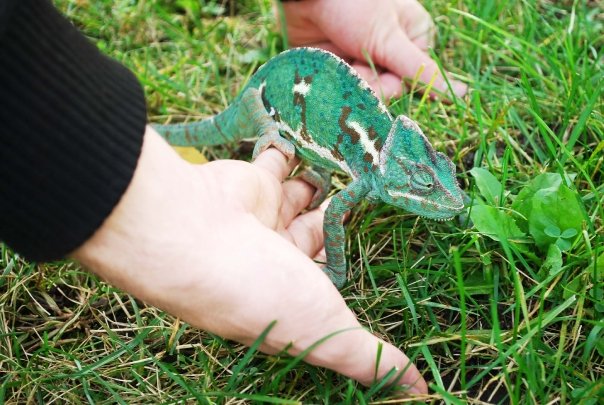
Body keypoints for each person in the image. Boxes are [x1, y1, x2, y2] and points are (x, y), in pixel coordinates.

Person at [0, 0, 466, 396]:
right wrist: (338, 270)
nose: (433, 198)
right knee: (288, 147)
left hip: (294, 98)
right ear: (396, 175)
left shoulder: (376, 156)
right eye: (424, 189)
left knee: (314, 154)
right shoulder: (371, 174)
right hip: (264, 104)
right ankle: (247, 143)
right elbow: (335, 220)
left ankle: (292, 161)